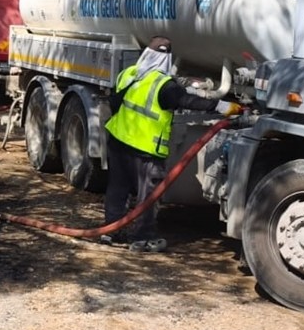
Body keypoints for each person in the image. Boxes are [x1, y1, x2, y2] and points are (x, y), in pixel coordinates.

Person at [102, 36, 243, 251]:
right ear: (166, 59)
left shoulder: (128, 74)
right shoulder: (164, 85)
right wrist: (222, 107)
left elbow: (114, 101)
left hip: (118, 141)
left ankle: (110, 231)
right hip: (145, 150)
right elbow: (188, 101)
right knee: (148, 197)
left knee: (117, 189)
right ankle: (144, 239)